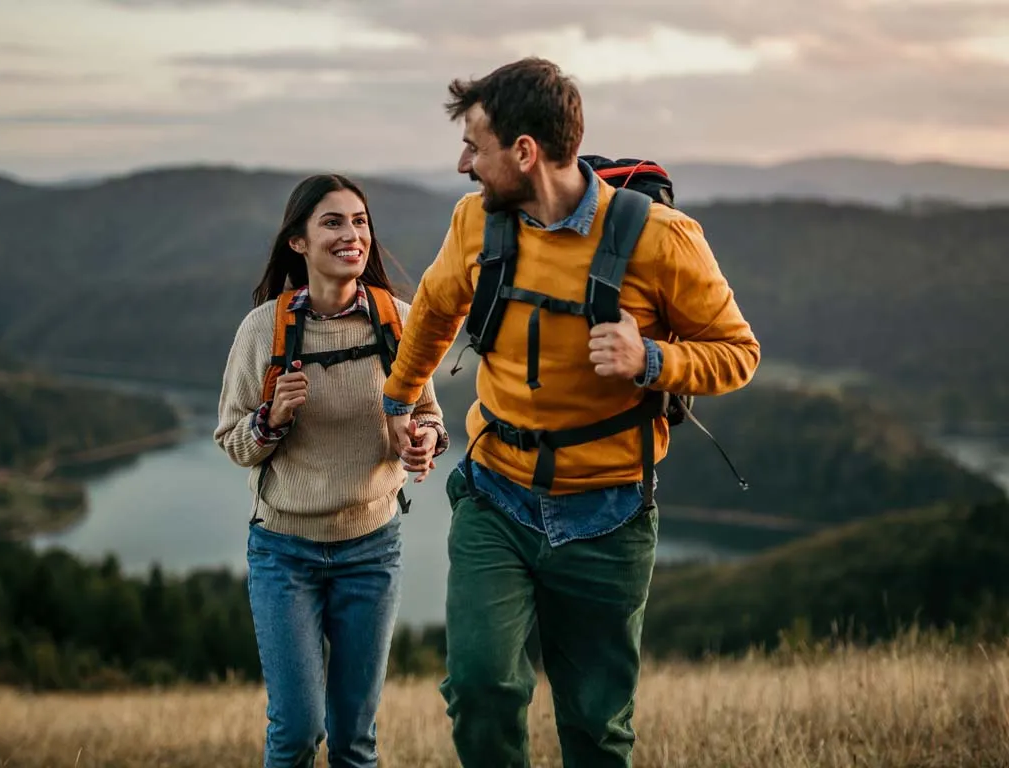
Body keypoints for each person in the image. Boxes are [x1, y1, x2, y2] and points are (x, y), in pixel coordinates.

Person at [381, 58, 760, 767]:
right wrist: (400, 397)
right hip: (496, 497)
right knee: (481, 688)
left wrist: (651, 360)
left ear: (525, 152)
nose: (464, 163)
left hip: (608, 516)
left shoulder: (660, 238)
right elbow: (434, 310)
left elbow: (738, 353)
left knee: (594, 726)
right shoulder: (476, 223)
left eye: (475, 145)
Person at [214, 173, 448, 768]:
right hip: (283, 552)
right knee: (296, 733)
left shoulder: (399, 320)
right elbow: (233, 441)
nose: (353, 235)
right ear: (298, 242)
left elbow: (430, 419)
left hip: (372, 549)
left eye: (360, 221)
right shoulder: (264, 329)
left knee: (355, 740)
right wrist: (271, 418)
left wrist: (422, 441)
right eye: (334, 222)